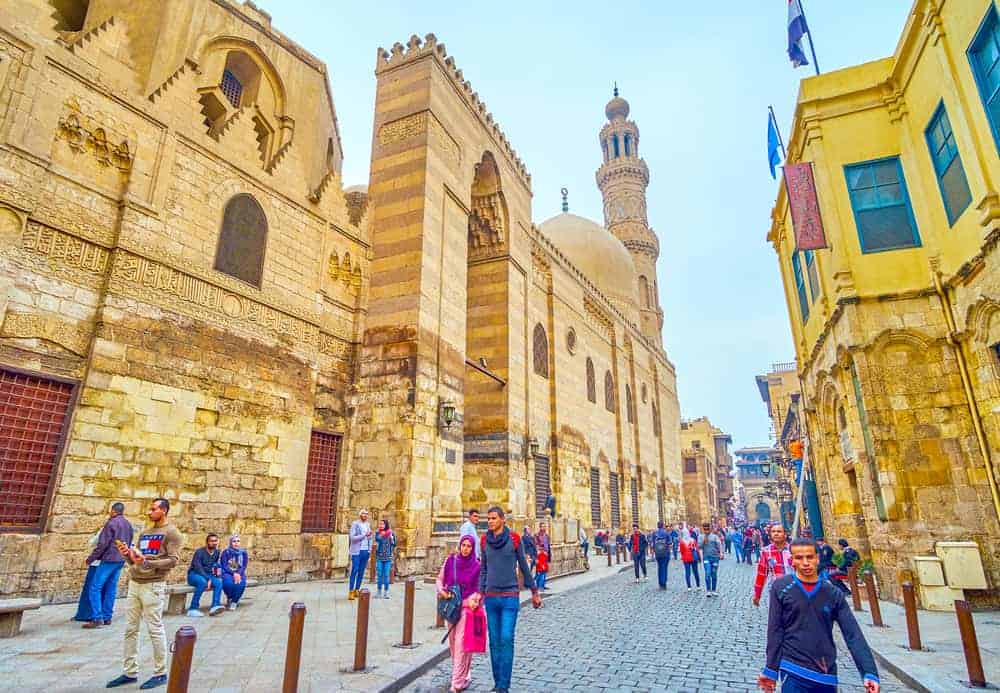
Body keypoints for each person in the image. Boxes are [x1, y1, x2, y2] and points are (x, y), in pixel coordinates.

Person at [758, 538, 880, 693]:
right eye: (799, 558)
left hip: (826, 672)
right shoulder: (781, 587)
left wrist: (869, 672)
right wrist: (770, 670)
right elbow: (775, 630)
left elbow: (853, 634)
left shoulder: (833, 593)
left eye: (809, 557)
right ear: (792, 560)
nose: (805, 562)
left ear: (817, 558)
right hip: (793, 668)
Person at [106, 498, 182, 690]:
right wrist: (126, 554)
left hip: (153, 585)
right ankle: (129, 671)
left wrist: (148, 563)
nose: (149, 512)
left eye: (153, 509)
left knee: (154, 628)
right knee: (131, 628)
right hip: (135, 583)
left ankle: (160, 672)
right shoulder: (146, 533)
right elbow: (135, 560)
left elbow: (173, 560)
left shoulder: (172, 533)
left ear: (163, 511)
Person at [479, 506, 541, 693]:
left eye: (494, 518)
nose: (490, 521)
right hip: (491, 598)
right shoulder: (483, 541)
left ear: (503, 519)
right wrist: (479, 594)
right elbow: (484, 569)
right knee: (494, 641)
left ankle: (503, 686)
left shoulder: (514, 539)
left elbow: (523, 565)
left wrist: (534, 591)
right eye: (488, 518)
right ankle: (498, 683)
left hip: (509, 597)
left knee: (506, 638)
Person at [436, 535, 482, 693]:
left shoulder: (477, 566)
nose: (466, 548)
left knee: (462, 644)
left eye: (469, 546)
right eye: (464, 545)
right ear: (460, 545)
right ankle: (464, 674)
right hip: (451, 607)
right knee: (454, 644)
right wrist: (441, 591)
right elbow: (440, 579)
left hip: (467, 609)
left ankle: (456, 684)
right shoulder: (451, 561)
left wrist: (475, 598)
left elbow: (479, 588)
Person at [81, 501, 133, 628]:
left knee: (95, 587)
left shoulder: (111, 523)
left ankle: (97, 617)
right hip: (120, 559)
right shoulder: (128, 524)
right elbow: (130, 541)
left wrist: (91, 558)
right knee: (111, 587)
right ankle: (107, 616)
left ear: (113, 511)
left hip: (109, 559)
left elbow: (102, 544)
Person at [753, 524, 793, 607]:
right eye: (773, 532)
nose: (776, 534)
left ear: (785, 535)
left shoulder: (793, 550)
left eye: (779, 531)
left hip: (793, 588)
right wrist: (757, 594)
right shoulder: (766, 552)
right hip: (775, 589)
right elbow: (761, 574)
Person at [186, 533, 224, 617]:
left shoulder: (217, 552)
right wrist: (208, 579)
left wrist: (216, 573)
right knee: (202, 582)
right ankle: (192, 609)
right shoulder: (199, 552)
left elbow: (214, 565)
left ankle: (215, 606)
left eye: (215, 541)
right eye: (211, 541)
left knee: (219, 583)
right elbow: (197, 567)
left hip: (208, 574)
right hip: (194, 574)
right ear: (207, 542)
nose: (214, 543)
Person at [348, 509, 373, 599]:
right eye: (363, 514)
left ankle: (357, 589)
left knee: (361, 571)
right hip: (356, 551)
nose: (365, 515)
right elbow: (352, 537)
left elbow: (370, 537)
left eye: (366, 514)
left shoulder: (367, 525)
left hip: (365, 551)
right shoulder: (355, 524)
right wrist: (364, 535)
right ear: (360, 515)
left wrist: (369, 549)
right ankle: (351, 591)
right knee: (355, 570)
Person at [220, 534, 249, 610]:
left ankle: (234, 601)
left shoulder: (243, 553)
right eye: (234, 541)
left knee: (240, 584)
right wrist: (233, 573)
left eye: (238, 541)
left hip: (240, 572)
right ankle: (230, 598)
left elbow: (244, 565)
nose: (236, 543)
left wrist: (238, 573)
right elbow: (224, 565)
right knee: (228, 584)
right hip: (228, 572)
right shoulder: (226, 552)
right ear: (230, 542)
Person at [374, 518, 396, 599]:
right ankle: (379, 592)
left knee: (386, 575)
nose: (381, 525)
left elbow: (394, 544)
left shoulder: (391, 533)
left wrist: (392, 539)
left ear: (386, 525)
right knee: (379, 575)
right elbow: (377, 539)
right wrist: (381, 534)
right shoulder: (377, 532)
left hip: (388, 557)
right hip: (380, 557)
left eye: (383, 524)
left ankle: (386, 592)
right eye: (380, 524)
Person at [700, 523, 723, 597]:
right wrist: (704, 540)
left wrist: (721, 553)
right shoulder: (700, 536)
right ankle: (708, 590)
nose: (706, 530)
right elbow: (699, 546)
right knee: (707, 573)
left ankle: (714, 590)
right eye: (705, 528)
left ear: (710, 528)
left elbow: (719, 545)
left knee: (714, 573)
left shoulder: (715, 536)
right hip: (706, 557)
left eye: (707, 528)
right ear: (703, 529)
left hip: (715, 558)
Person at [651, 521, 672, 590]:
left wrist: (653, 552)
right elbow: (670, 543)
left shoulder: (654, 533)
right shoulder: (666, 533)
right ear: (663, 526)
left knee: (659, 568)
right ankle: (664, 583)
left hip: (658, 553)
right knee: (664, 568)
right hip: (665, 553)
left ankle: (660, 583)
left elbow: (652, 544)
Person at [535, 523, 551, 588]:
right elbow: (536, 545)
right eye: (543, 527)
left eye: (545, 527)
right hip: (540, 554)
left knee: (545, 570)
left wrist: (548, 553)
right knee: (540, 570)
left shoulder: (547, 536)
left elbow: (548, 545)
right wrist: (542, 551)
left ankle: (543, 584)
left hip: (546, 554)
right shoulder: (537, 535)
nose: (544, 528)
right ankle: (539, 585)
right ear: (540, 527)